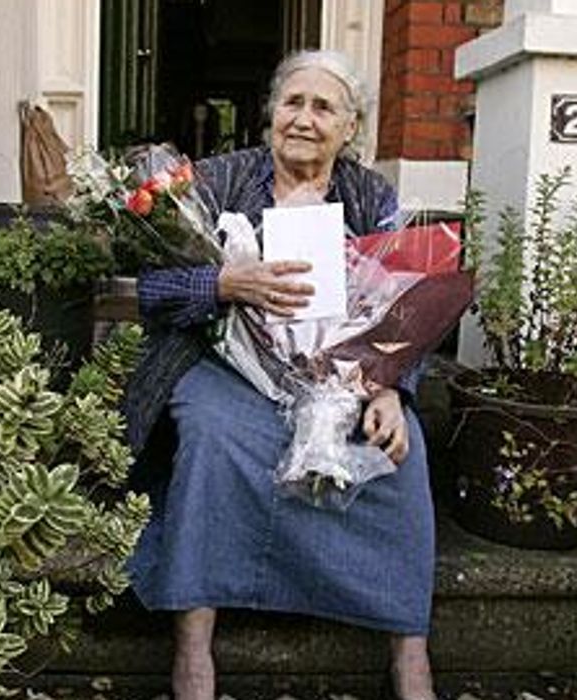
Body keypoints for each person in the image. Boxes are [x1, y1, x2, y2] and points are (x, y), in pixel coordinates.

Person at [124, 49, 438, 700]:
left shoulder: (369, 195)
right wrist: (221, 282)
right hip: (220, 366)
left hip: (335, 374)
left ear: (349, 128)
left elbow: (403, 306)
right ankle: (192, 646)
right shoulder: (212, 182)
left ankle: (409, 650)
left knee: (399, 449)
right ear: (270, 113)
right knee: (211, 435)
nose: (303, 119)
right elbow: (152, 292)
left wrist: (387, 387)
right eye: (292, 103)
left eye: (323, 108)